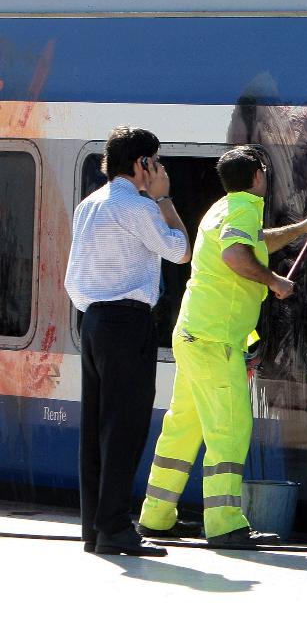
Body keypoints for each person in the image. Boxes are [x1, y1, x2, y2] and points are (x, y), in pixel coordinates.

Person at [137, 146, 307, 547]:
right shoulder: (244, 207)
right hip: (216, 340)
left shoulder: (223, 208)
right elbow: (236, 254)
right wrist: (274, 282)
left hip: (193, 334)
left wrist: (302, 227)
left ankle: (155, 517)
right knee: (230, 430)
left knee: (183, 430)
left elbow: (254, 242)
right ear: (258, 174)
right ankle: (224, 525)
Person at [64, 126, 191, 557]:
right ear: (143, 164)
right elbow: (180, 251)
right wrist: (163, 198)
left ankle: (95, 529)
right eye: (156, 162)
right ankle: (116, 527)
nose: (160, 170)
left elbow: (73, 277)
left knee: (96, 430)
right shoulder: (136, 207)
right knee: (125, 428)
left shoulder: (89, 205)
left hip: (93, 320)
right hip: (127, 324)